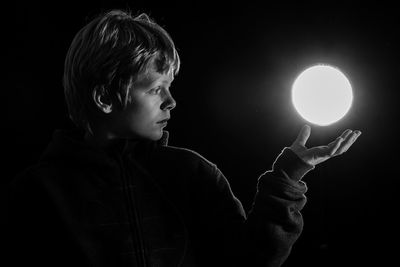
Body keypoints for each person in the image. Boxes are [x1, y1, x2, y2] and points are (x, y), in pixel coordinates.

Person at [5, 9, 361, 267]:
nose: (171, 101)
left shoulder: (192, 174)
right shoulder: (37, 194)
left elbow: (252, 259)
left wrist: (288, 177)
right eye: (156, 88)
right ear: (104, 98)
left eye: (170, 87)